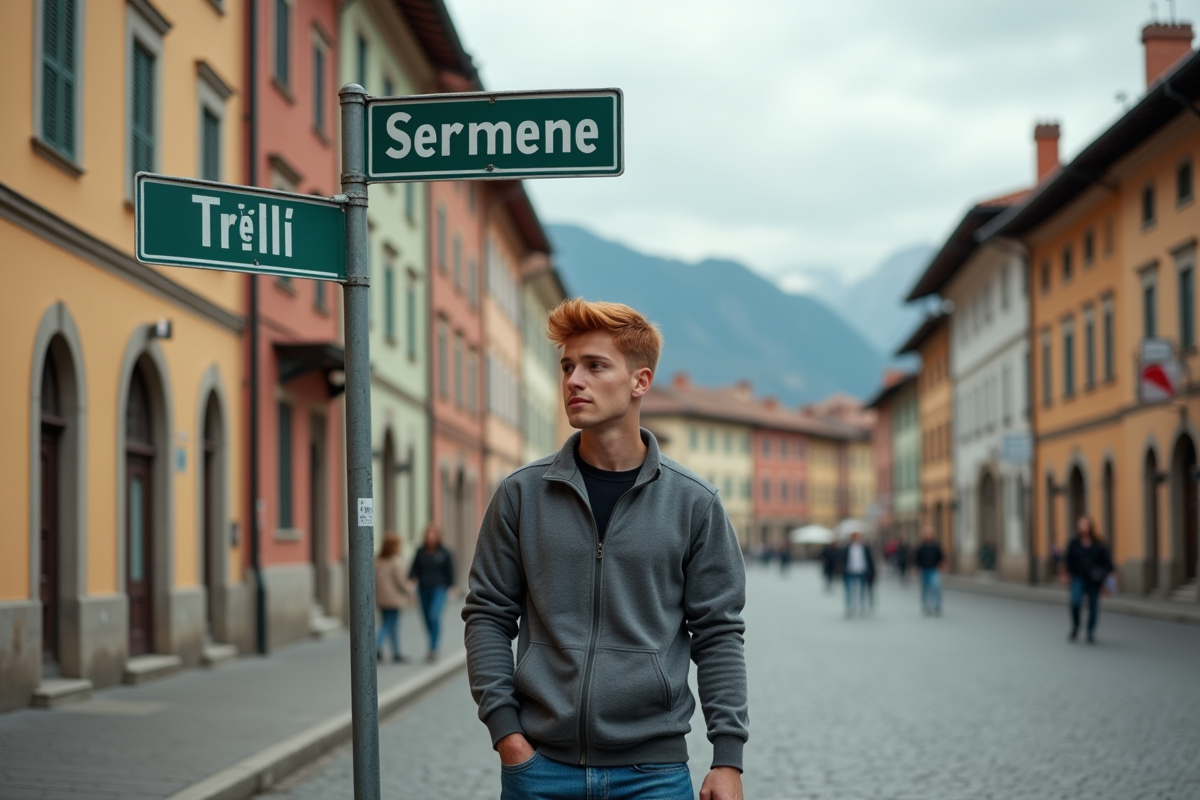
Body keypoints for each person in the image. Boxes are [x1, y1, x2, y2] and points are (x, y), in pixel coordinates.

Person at [463, 299, 748, 800]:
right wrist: (507, 735)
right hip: (540, 770)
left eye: (595, 366)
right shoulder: (521, 494)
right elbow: (487, 613)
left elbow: (718, 632)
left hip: (652, 774)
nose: (574, 380)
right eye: (568, 366)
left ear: (640, 381)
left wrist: (728, 758)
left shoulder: (694, 503)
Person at [1063, 516, 1113, 644]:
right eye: (1081, 525)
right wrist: (1066, 574)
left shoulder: (1098, 543)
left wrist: (1106, 578)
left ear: (1090, 526)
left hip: (1094, 579)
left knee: (1093, 606)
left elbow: (1107, 562)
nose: (1084, 527)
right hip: (1078, 577)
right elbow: (1068, 559)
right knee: (1075, 602)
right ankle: (1076, 625)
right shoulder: (1074, 542)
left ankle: (1090, 632)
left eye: (1086, 525)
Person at [409, 523, 455, 661]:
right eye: (429, 535)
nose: (431, 537)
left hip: (439, 588)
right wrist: (411, 586)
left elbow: (450, 570)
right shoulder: (420, 551)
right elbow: (412, 570)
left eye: (433, 535)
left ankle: (433, 648)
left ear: (438, 537)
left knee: (434, 616)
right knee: (427, 619)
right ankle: (432, 644)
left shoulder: (444, 552)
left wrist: (452, 586)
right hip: (423, 588)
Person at [375, 531, 413, 663]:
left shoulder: (377, 561)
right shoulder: (396, 562)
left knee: (391, 624)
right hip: (394, 599)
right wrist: (410, 591)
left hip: (381, 599)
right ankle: (376, 645)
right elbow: (400, 581)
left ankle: (396, 652)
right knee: (389, 624)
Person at [840, 532, 874, 617]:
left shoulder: (865, 548)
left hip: (862, 571)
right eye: (855, 538)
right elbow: (843, 560)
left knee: (862, 590)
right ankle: (849, 607)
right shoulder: (847, 548)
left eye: (858, 537)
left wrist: (872, 571)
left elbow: (870, 560)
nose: (857, 539)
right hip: (850, 571)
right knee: (849, 591)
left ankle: (861, 606)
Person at [914, 527, 944, 616]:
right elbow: (917, 558)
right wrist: (916, 567)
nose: (928, 536)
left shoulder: (936, 546)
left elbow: (941, 557)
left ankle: (937, 605)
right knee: (924, 589)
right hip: (924, 570)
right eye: (927, 534)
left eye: (930, 534)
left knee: (935, 586)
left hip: (933, 570)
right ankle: (925, 605)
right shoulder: (921, 547)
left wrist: (943, 565)